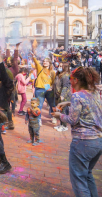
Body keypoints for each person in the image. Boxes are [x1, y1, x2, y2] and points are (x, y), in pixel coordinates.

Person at [52, 67, 102, 197]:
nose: (69, 81)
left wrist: (58, 115)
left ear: (76, 80)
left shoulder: (76, 96)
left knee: (79, 180)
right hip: (97, 141)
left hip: (83, 142)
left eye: (71, 78)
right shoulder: (94, 92)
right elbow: (87, 106)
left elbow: (72, 120)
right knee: (87, 174)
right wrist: (69, 103)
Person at [31, 51, 56, 125]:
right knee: (39, 105)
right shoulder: (40, 68)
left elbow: (54, 81)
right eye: (44, 61)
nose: (44, 62)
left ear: (49, 63)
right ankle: (38, 119)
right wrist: (34, 57)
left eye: (46, 61)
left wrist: (52, 87)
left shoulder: (52, 72)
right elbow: (36, 62)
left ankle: (54, 117)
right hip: (39, 90)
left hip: (49, 90)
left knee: (52, 104)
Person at [54, 62, 71, 132]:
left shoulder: (66, 76)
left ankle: (64, 126)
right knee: (60, 110)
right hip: (59, 95)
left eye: (61, 66)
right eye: (59, 66)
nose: (59, 67)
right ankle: (61, 124)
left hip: (64, 96)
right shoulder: (60, 74)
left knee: (63, 111)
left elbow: (65, 86)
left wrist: (62, 95)